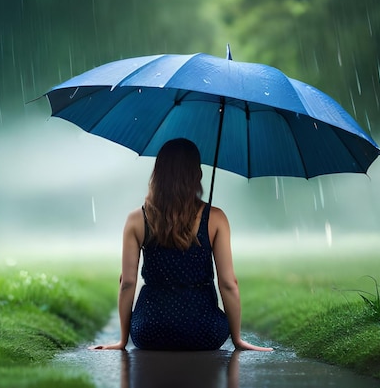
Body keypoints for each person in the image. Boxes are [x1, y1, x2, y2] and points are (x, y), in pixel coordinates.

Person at [91, 138, 272, 351]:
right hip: (204, 331)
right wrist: (237, 340)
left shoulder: (137, 219)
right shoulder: (216, 218)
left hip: (149, 331)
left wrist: (122, 341)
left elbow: (128, 283)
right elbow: (228, 283)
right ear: (197, 174)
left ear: (157, 173)